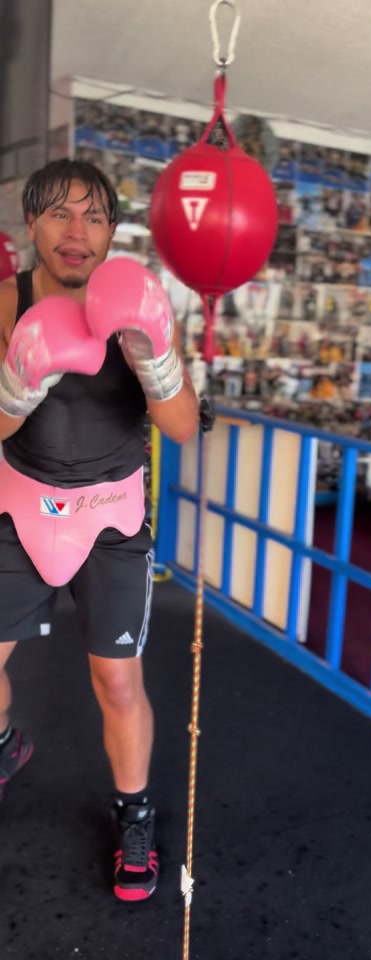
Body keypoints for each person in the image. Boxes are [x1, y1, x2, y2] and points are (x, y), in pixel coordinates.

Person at [0, 158, 201, 901]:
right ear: (32, 224)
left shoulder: (138, 302)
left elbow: (182, 427)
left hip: (110, 517)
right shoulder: (5, 302)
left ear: (112, 230)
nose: (75, 230)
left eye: (92, 216)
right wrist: (19, 382)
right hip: (19, 507)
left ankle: (135, 814)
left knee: (117, 680)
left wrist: (153, 359)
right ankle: (5, 742)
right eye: (58, 212)